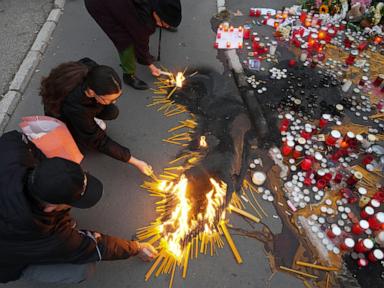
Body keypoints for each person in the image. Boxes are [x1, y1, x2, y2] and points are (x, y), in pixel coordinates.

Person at [0, 130, 158, 284]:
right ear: (49, 207)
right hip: (5, 261)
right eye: (72, 201)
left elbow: (18, 138)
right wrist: (136, 247)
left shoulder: (11, 150)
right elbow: (96, 246)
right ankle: (26, 267)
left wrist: (50, 169)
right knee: (83, 269)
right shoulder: (50, 237)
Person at [40, 58, 152, 175]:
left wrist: (105, 102)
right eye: (110, 99)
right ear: (92, 93)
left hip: (83, 108)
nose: (114, 102)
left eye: (116, 98)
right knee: (85, 140)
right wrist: (137, 162)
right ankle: (82, 127)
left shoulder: (95, 73)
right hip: (64, 116)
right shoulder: (76, 107)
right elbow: (100, 141)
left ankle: (93, 119)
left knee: (112, 111)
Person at [84, 0, 182, 90]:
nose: (166, 26)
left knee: (141, 31)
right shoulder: (140, 23)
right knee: (124, 41)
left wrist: (164, 20)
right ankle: (128, 75)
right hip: (100, 4)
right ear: (156, 13)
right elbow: (140, 42)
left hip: (121, 5)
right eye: (165, 23)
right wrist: (149, 63)